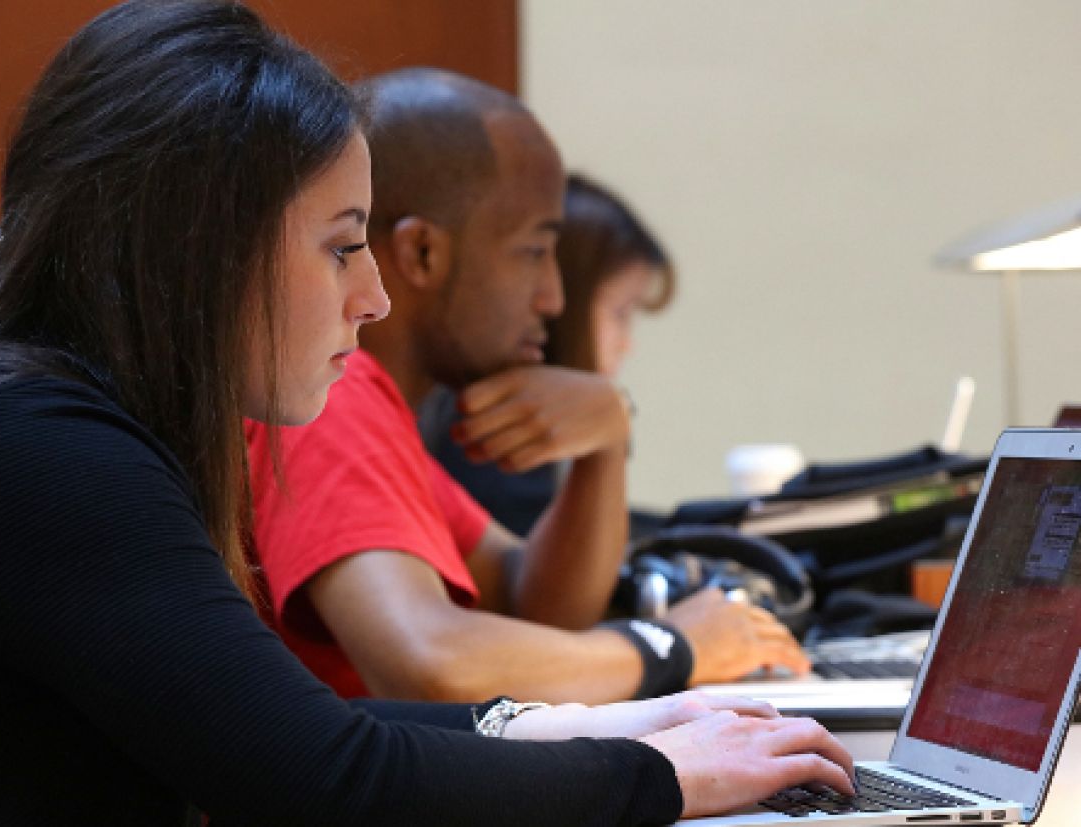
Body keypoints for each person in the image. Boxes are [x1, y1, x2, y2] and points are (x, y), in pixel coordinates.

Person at [0, 1, 854, 823]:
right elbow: (324, 777)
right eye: (339, 245)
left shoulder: (20, 415)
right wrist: (668, 773)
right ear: (199, 251)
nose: (370, 295)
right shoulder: (27, 448)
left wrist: (639, 724)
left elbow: (289, 730)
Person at [246, 68, 809, 707]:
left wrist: (605, 444)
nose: (553, 297)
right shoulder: (334, 399)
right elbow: (430, 663)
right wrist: (668, 645)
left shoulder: (372, 409)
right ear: (424, 253)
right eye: (533, 252)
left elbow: (533, 609)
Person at [421, 172, 674, 536]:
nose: (627, 343)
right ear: (567, 302)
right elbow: (544, 578)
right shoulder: (504, 429)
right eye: (620, 313)